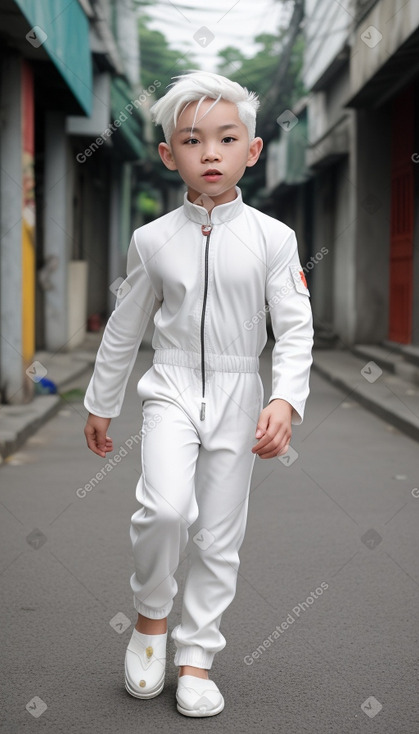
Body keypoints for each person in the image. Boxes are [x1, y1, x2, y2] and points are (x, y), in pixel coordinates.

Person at [83, 70, 313, 718]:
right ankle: (151, 619)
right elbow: (125, 328)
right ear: (167, 155)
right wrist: (101, 401)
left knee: (217, 536)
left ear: (252, 150)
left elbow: (294, 327)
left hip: (242, 394)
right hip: (172, 389)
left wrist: (283, 400)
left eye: (225, 138)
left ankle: (196, 660)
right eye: (191, 140)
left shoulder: (273, 238)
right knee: (162, 510)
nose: (208, 153)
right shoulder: (152, 240)